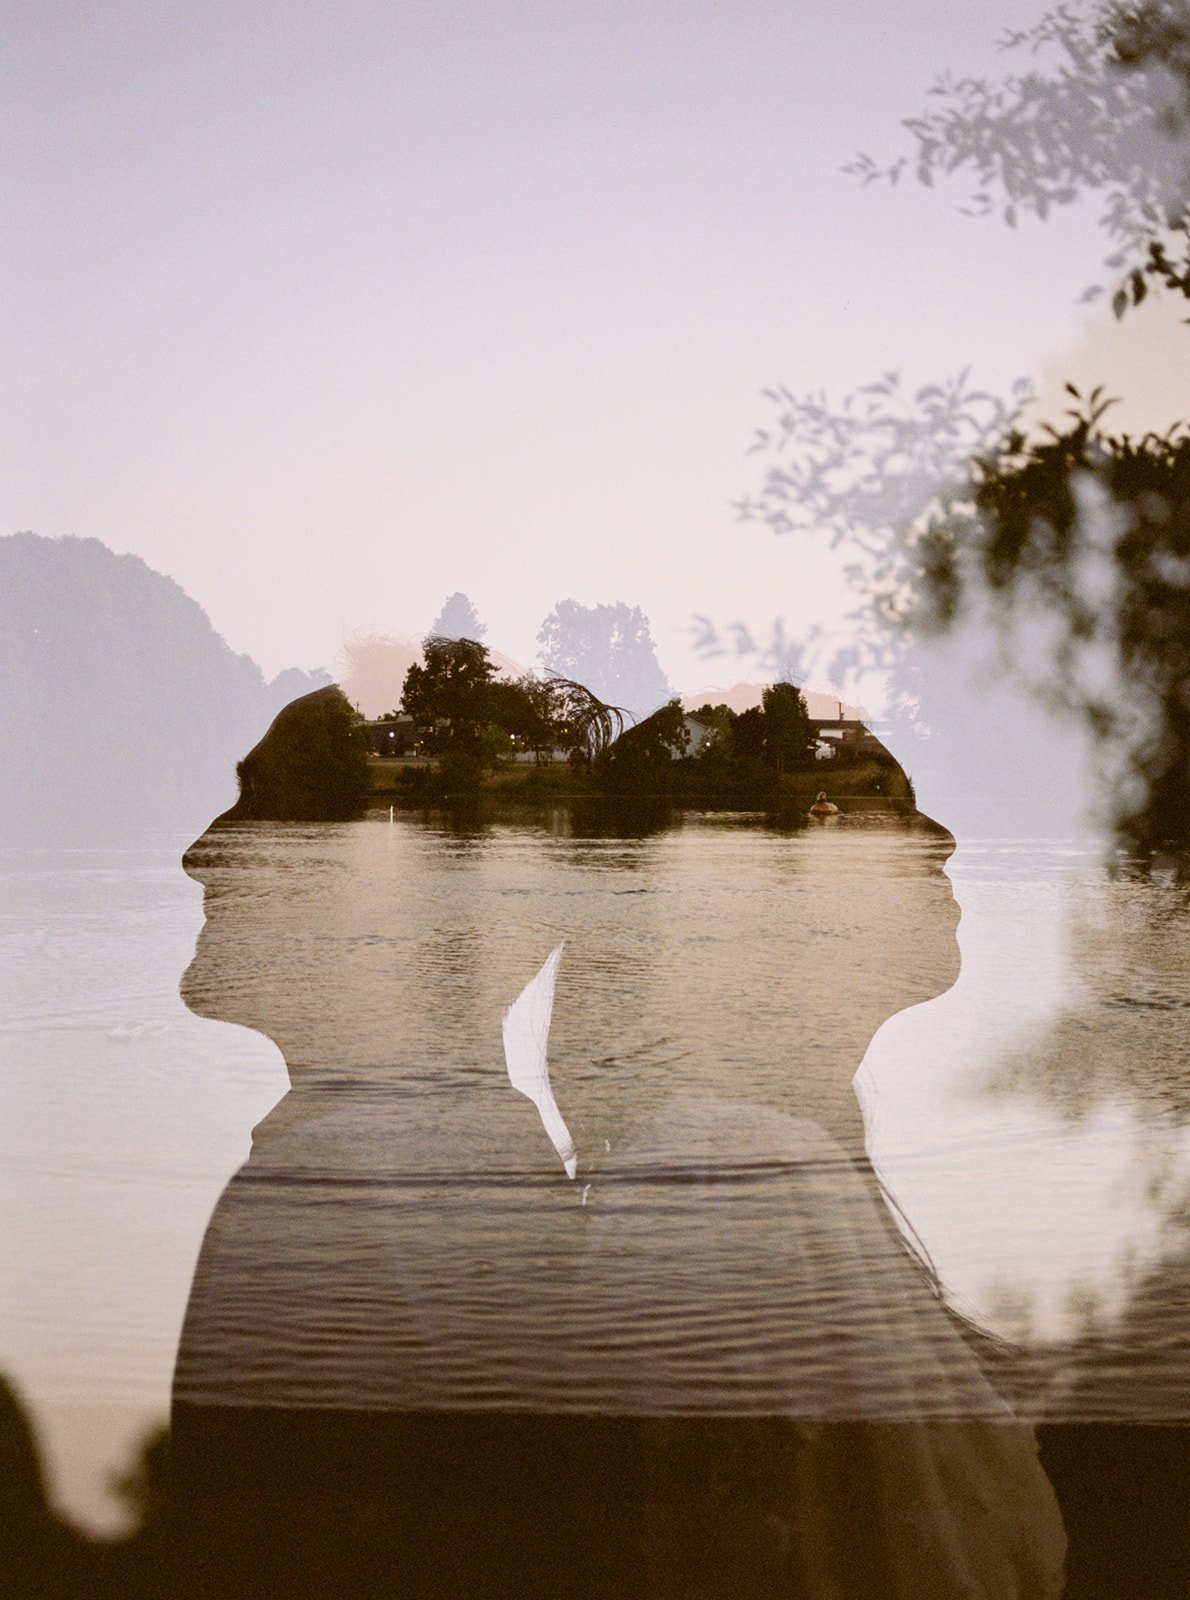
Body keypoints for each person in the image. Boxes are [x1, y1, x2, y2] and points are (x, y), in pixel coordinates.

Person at [170, 691, 1065, 1599]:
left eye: (263, 806)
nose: (941, 837)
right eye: (882, 793)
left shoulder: (732, 1186)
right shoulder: (725, 1191)